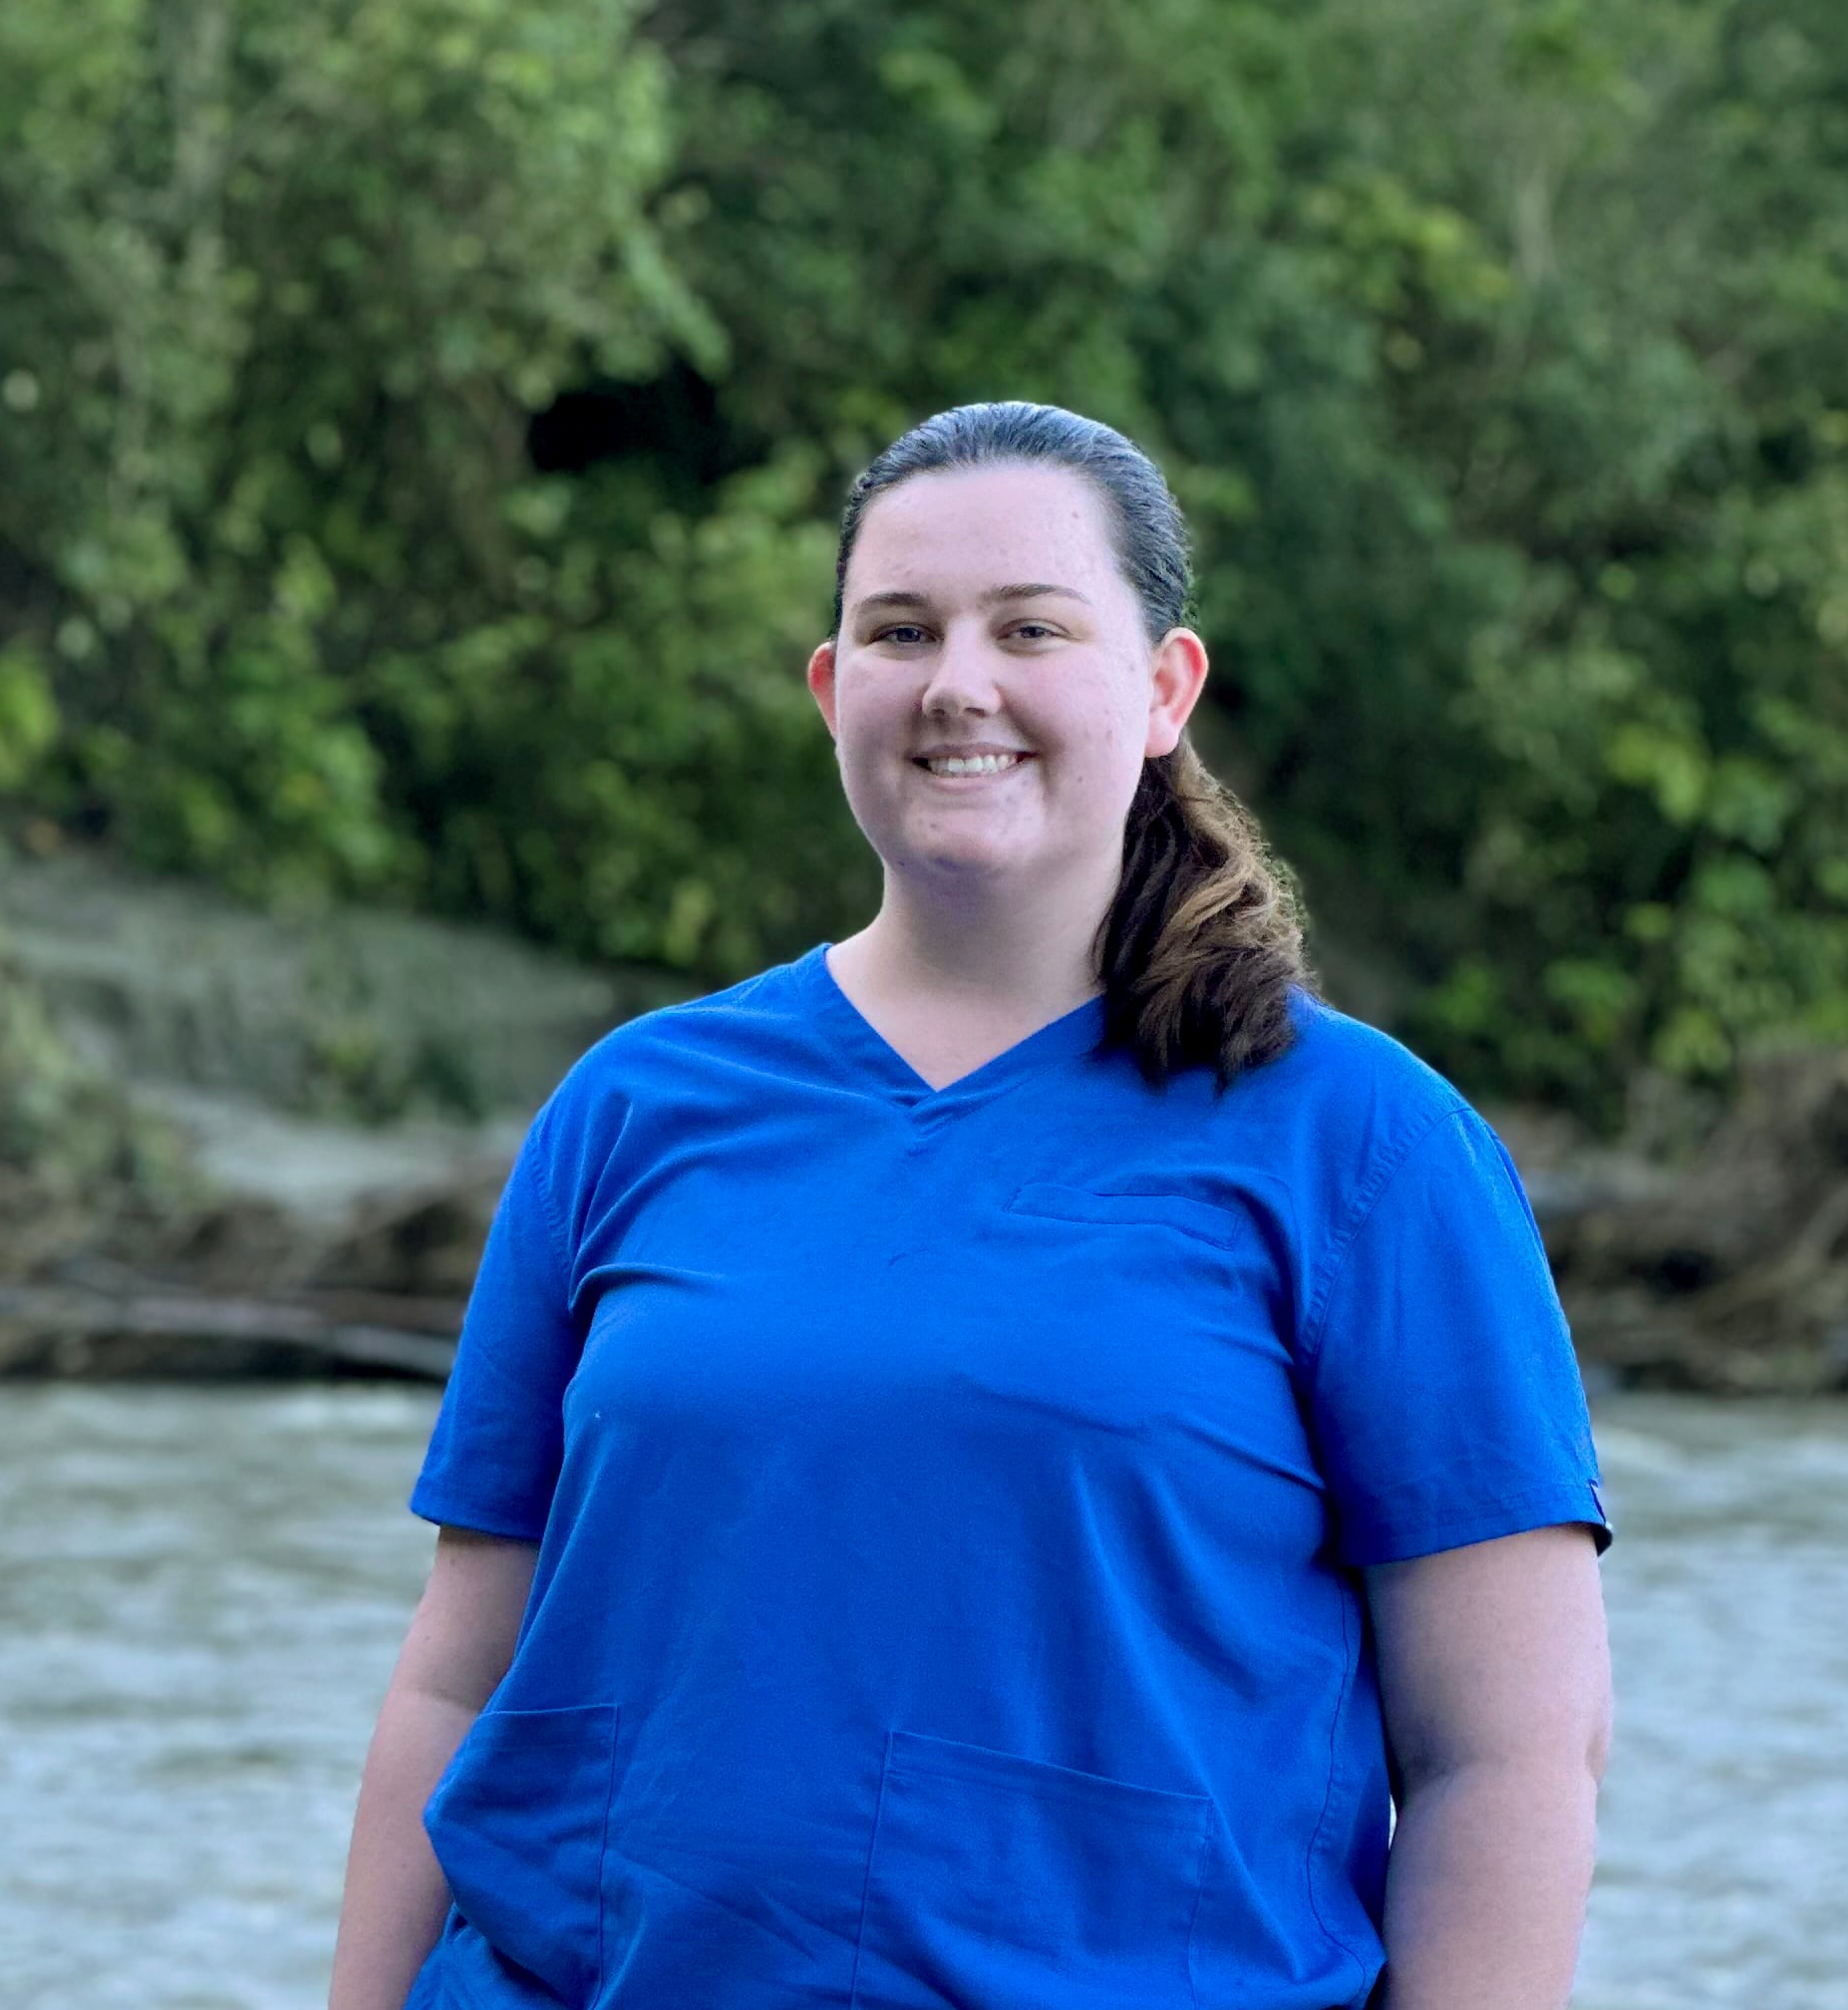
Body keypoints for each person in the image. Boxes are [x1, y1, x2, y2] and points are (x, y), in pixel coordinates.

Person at [329, 401, 1613, 2010]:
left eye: (1031, 629)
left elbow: (1508, 1753)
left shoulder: (1365, 1147)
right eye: (902, 630)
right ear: (831, 689)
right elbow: (457, 1685)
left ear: (1164, 689)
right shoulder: (634, 1107)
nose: (958, 683)